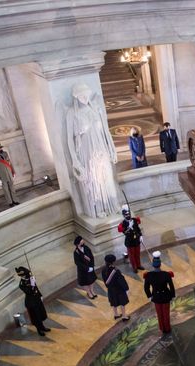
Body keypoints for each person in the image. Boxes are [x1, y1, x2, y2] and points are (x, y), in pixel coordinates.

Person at [64, 83, 120, 218]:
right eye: (81, 95)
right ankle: (99, 207)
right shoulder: (72, 113)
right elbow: (69, 140)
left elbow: (106, 130)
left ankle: (111, 204)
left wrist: (112, 149)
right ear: (76, 96)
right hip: (86, 150)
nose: (84, 97)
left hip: (100, 147)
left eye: (86, 94)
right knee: (94, 179)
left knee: (106, 176)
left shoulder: (95, 108)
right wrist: (75, 161)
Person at [143, 251, 175, 336]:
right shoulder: (166, 274)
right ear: (160, 265)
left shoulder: (148, 275)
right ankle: (167, 329)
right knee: (166, 313)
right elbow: (171, 286)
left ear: (153, 265)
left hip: (156, 297)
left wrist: (150, 296)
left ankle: (162, 328)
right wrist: (172, 295)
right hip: (165, 296)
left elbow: (146, 288)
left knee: (159, 314)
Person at [16, 266, 50, 336]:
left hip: (37, 299)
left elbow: (36, 288)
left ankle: (43, 327)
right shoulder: (21, 284)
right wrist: (31, 284)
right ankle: (39, 330)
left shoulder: (30, 278)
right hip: (31, 302)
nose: (25, 276)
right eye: (24, 275)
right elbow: (29, 291)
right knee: (36, 317)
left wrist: (40, 295)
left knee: (40, 313)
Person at [0, 141, 19, 207]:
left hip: (9, 174)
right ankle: (10, 202)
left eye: (0, 148)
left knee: (12, 188)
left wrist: (13, 172)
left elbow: (10, 163)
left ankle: (15, 200)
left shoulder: (5, 154)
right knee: (6, 190)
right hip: (2, 176)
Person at [101, 254, 130, 321]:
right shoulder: (116, 271)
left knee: (114, 302)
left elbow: (105, 281)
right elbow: (121, 281)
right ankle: (124, 316)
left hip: (111, 289)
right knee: (122, 302)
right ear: (113, 261)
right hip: (119, 290)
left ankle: (116, 314)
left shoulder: (103, 270)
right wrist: (126, 288)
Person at [117, 205, 144, 273]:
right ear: (123, 215)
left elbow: (137, 229)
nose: (128, 215)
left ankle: (138, 265)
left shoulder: (134, 220)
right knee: (131, 256)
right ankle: (134, 267)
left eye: (129, 213)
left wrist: (140, 236)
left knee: (137, 254)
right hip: (130, 242)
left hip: (136, 240)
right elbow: (125, 233)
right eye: (126, 214)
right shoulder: (123, 224)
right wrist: (129, 227)